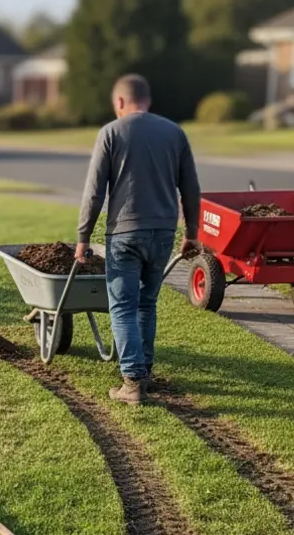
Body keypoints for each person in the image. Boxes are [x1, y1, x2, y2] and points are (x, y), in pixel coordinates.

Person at [74, 74, 201, 405]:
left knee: (123, 306)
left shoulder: (111, 133)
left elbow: (94, 192)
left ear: (119, 102)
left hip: (125, 234)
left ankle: (132, 383)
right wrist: (191, 234)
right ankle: (144, 373)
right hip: (163, 234)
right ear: (148, 100)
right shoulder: (175, 133)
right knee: (146, 303)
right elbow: (190, 189)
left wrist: (83, 237)